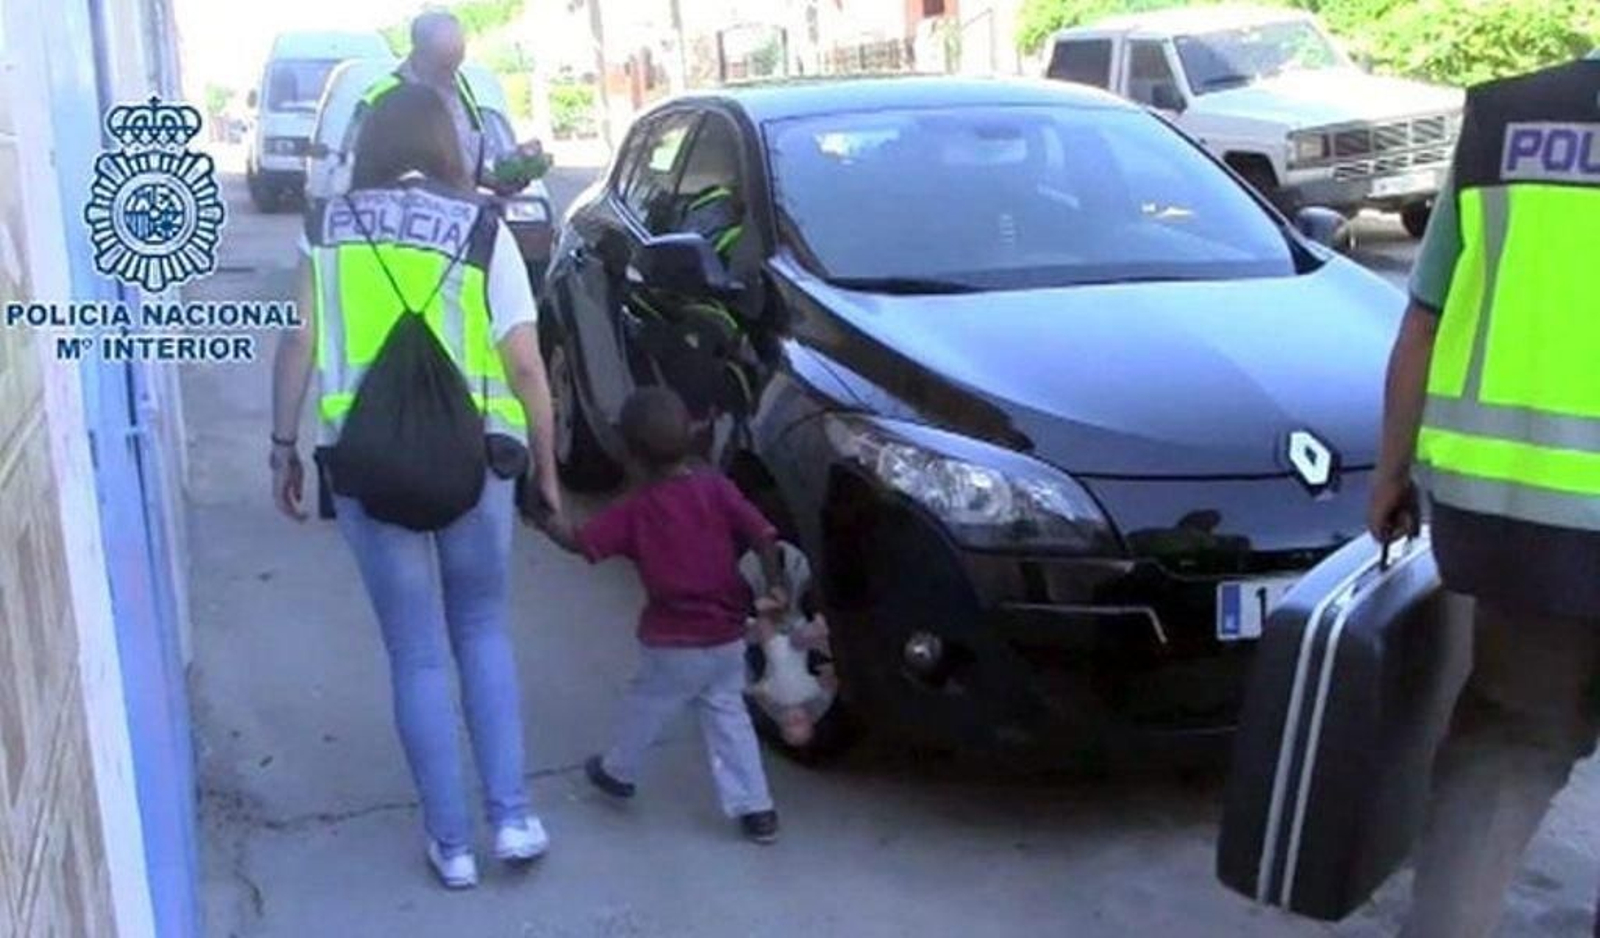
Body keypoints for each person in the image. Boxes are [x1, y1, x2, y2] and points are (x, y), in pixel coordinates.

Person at [269, 82, 561, 889]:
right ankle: (511, 820)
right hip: (477, 466)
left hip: (368, 467)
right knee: (482, 631)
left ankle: (452, 845)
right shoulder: (481, 226)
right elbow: (526, 362)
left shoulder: (327, 228)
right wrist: (549, 466)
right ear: (446, 145)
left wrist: (280, 446)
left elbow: (299, 341)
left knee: (416, 654)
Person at [1368, 50, 1600, 938]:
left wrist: (1392, 472)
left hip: (1522, 532)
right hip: (1527, 537)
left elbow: (1424, 319)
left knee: (1505, 746)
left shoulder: (1509, 121)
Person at [533, 387, 786, 843]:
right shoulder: (715, 487)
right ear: (690, 434)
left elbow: (582, 542)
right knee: (728, 715)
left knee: (647, 703)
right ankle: (757, 809)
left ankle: (618, 770)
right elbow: (764, 535)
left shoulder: (635, 510)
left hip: (672, 639)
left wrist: (546, 521)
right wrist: (775, 588)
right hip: (728, 634)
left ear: (630, 455)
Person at [360, 11, 536, 194]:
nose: (454, 65)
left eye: (459, 52)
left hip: (458, 213)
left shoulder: (460, 86)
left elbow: (464, 164)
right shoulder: (384, 96)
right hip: (405, 215)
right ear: (420, 50)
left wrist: (500, 181)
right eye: (446, 56)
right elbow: (368, 175)